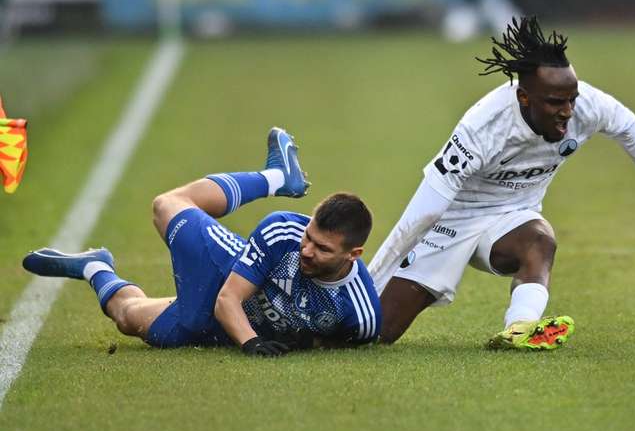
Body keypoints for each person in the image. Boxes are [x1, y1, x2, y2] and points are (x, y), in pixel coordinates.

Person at [368, 16, 635, 350]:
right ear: (524, 97)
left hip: (511, 217)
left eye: (571, 100)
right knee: (376, 333)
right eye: (556, 102)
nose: (568, 112)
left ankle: (520, 329)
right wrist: (367, 282)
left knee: (540, 241)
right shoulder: (483, 127)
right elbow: (421, 215)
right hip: (452, 219)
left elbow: (627, 126)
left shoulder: (586, 105)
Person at [23, 128, 381, 356]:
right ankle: (274, 177)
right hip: (227, 274)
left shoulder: (361, 313)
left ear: (354, 255)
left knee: (128, 318)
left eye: (322, 249)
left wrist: (312, 342)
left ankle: (96, 266)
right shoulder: (283, 232)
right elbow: (228, 299)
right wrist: (252, 343)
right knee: (166, 205)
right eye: (309, 237)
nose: (307, 249)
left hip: (216, 329)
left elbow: (343, 341)